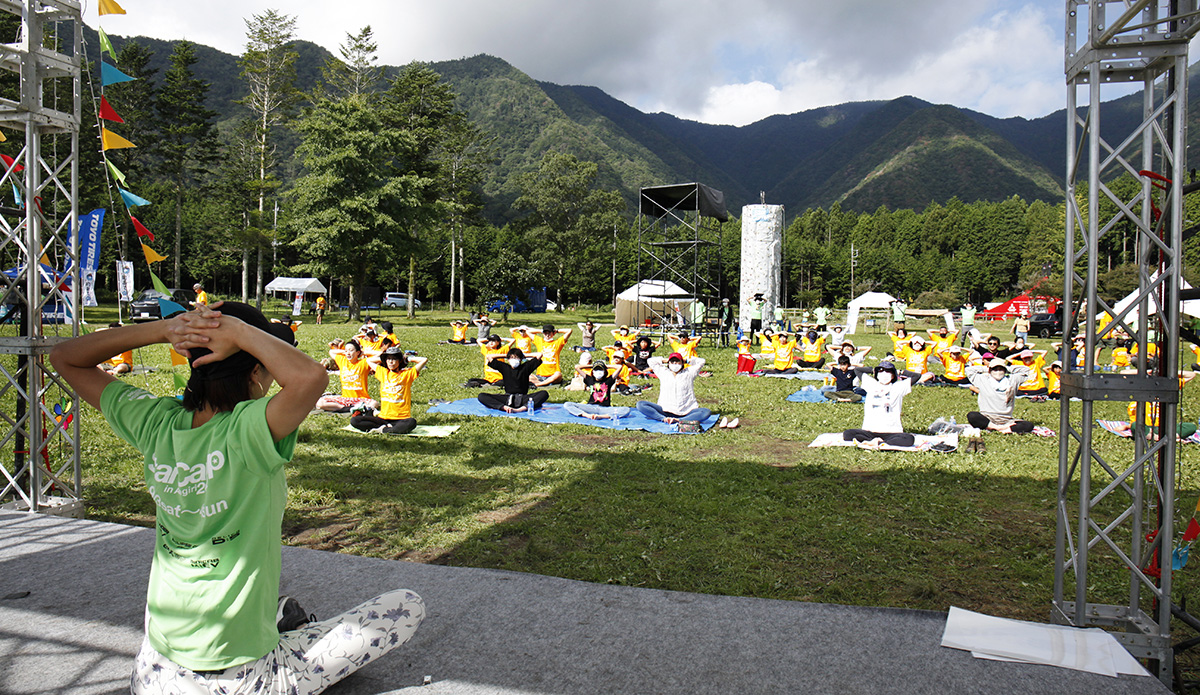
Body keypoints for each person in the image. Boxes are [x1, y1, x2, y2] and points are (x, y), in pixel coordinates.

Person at [48, 301, 424, 694]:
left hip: (154, 673)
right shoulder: (251, 430)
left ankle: (281, 622)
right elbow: (310, 378)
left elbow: (66, 358)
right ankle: (285, 630)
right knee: (405, 607)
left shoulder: (155, 422)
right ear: (256, 370)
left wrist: (167, 329)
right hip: (244, 681)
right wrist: (239, 332)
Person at [350, 347, 428, 434]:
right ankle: (389, 429)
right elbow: (369, 361)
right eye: (388, 359)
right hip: (383, 418)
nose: (391, 362)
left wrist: (407, 358)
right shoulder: (382, 372)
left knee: (411, 422)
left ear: (399, 361)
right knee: (355, 420)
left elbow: (424, 360)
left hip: (401, 418)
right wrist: (383, 357)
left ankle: (384, 430)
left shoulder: (407, 374)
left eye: (394, 359)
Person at [842, 361, 914, 447]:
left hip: (892, 431)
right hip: (870, 431)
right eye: (881, 371)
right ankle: (874, 441)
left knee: (909, 439)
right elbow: (858, 370)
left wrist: (900, 371)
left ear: (893, 375)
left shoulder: (898, 387)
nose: (884, 374)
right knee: (848, 434)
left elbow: (916, 376)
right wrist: (873, 370)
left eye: (888, 371)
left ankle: (880, 442)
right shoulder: (871, 384)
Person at [636, 353, 716, 428]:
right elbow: (650, 361)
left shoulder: (689, 372)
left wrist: (686, 360)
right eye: (672, 361)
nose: (675, 363)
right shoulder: (663, 372)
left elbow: (701, 361)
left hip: (686, 412)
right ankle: (663, 419)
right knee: (640, 404)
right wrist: (665, 360)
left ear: (682, 363)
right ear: (669, 363)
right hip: (665, 410)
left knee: (706, 412)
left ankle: (679, 420)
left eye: (677, 361)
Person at [965, 358, 1035, 433]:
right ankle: (997, 428)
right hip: (987, 417)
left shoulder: (1012, 380)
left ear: (1005, 371)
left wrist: (1008, 368)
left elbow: (1026, 370)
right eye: (995, 369)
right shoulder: (983, 379)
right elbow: (969, 370)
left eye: (1001, 369)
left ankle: (1006, 429)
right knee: (972, 416)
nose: (998, 372)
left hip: (1006, 420)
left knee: (1028, 425)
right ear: (990, 370)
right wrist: (987, 368)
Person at [477, 348, 549, 413]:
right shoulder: (504, 367)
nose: (514, 360)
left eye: (516, 357)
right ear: (508, 360)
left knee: (544, 394)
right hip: (507, 398)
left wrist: (523, 355)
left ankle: (521, 409)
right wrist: (507, 355)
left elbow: (539, 355)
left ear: (521, 359)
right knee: (481, 396)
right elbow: (489, 356)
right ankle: (504, 407)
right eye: (511, 358)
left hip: (523, 398)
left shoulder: (526, 367)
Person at [316, 339, 379, 412]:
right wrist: (344, 352)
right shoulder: (342, 361)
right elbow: (331, 352)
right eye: (346, 351)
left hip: (360, 399)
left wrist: (363, 352)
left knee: (375, 403)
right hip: (345, 398)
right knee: (320, 403)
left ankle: (355, 408)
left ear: (357, 352)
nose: (348, 353)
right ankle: (349, 409)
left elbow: (379, 354)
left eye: (351, 350)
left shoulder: (364, 363)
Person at [564, 359, 631, 421]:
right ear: (592, 371)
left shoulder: (608, 380)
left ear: (605, 372)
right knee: (567, 404)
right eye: (596, 370)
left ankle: (602, 416)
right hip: (590, 407)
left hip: (605, 409)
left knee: (626, 410)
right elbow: (577, 367)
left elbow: (619, 367)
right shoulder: (590, 380)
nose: (598, 372)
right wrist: (592, 366)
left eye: (601, 370)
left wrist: (605, 366)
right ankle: (587, 415)